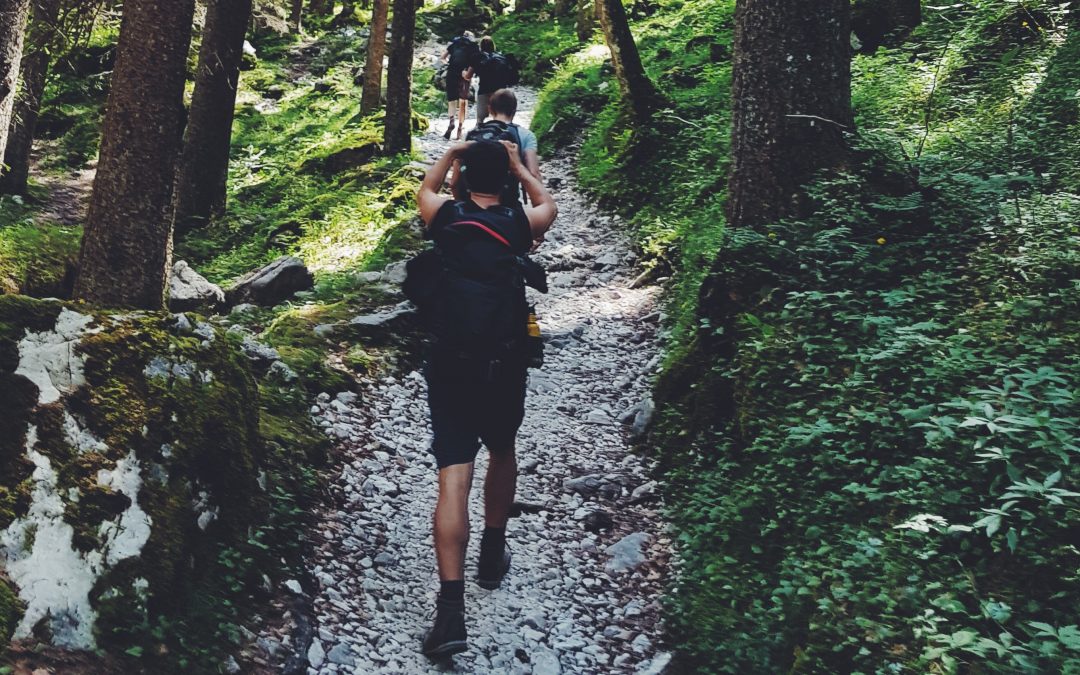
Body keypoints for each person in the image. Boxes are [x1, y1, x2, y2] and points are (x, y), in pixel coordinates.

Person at [414, 140, 557, 658]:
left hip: (451, 363)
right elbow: (549, 206)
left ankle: (451, 613)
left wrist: (452, 153)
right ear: (509, 183)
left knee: (454, 477)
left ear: (463, 177)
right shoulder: (521, 225)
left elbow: (424, 188)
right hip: (504, 362)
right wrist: (522, 167)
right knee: (502, 449)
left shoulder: (445, 217)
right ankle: (492, 556)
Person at [452, 89, 543, 225]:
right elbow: (534, 174)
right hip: (507, 203)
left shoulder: (473, 134)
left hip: (472, 203)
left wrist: (460, 204)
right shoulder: (525, 135)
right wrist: (539, 212)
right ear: (514, 110)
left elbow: (455, 180)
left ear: (490, 109)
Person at [462, 36, 516, 124]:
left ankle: (479, 133)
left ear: (481, 46)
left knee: (480, 120)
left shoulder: (477, 57)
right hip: (500, 92)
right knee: (500, 117)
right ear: (493, 46)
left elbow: (468, 76)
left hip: (484, 90)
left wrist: (463, 73)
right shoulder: (501, 57)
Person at [441, 31, 477, 140]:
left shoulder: (455, 43)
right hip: (464, 74)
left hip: (451, 72)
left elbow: (442, 58)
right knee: (463, 102)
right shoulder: (472, 46)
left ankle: (451, 122)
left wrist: (448, 64)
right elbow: (475, 62)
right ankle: (460, 129)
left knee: (451, 101)